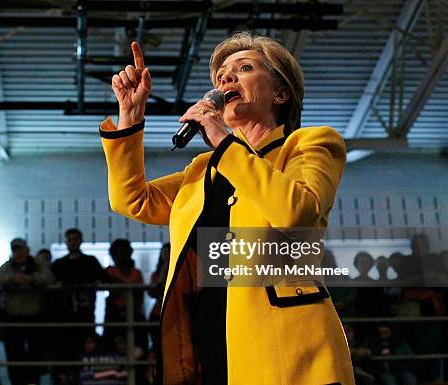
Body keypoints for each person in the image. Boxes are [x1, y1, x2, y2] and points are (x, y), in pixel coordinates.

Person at [99, 33, 355, 384]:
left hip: (285, 348)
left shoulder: (309, 144)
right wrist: (130, 114)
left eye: (244, 68)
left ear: (280, 93)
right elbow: (132, 200)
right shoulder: (205, 170)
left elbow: (298, 213)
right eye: (221, 74)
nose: (225, 78)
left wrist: (224, 142)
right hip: (208, 341)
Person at [50, 229, 108, 383]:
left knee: (85, 349)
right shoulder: (59, 264)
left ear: (80, 241)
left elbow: (104, 280)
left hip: (85, 314)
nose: (72, 242)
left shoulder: (89, 261)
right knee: (67, 350)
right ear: (66, 242)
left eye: (75, 239)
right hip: (65, 316)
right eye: (70, 239)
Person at [0, 237, 55, 385]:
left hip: (33, 316)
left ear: (27, 250)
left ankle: (32, 381)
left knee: (35, 353)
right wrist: (13, 279)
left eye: (20, 249)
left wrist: (29, 279)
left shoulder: (37, 264)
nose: (18, 252)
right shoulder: (8, 265)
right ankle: (17, 382)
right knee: (14, 353)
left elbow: (49, 278)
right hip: (13, 316)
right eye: (15, 249)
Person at [104, 239, 146, 350]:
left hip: (134, 311)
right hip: (114, 312)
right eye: (116, 253)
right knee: (112, 342)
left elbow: (140, 296)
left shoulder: (136, 272)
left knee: (137, 340)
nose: (119, 257)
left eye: (122, 253)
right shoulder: (110, 271)